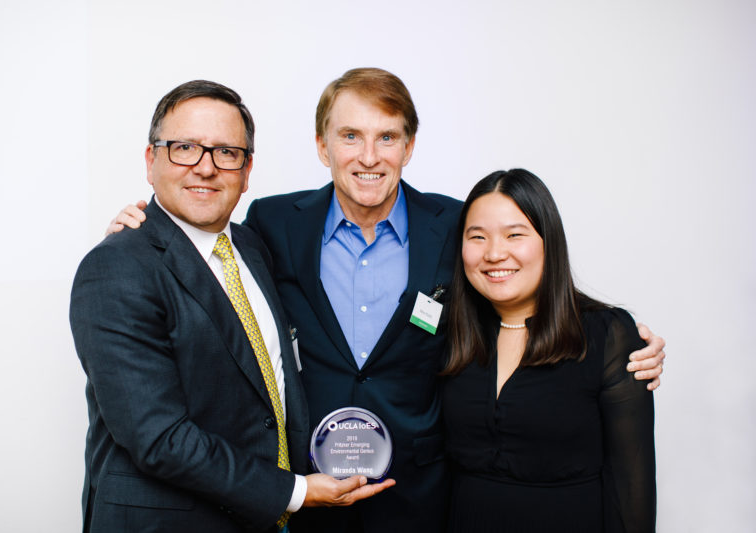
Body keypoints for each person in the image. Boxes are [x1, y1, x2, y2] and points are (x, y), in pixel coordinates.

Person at [107, 68, 665, 533]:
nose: (368, 156)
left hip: (422, 497)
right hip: (305, 494)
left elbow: (512, 278)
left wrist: (615, 335)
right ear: (322, 147)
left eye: (387, 137)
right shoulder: (274, 224)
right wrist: (145, 235)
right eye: (350, 136)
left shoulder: (452, 226)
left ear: (409, 146)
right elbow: (212, 265)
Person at [70, 80, 393, 533]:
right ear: (151, 160)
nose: (205, 168)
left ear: (247, 170)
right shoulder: (117, 266)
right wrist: (296, 491)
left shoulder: (252, 246)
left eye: (226, 152)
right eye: (184, 148)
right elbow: (158, 438)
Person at [442, 168, 656, 532]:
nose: (494, 253)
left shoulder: (608, 336)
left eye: (515, 235)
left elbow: (631, 486)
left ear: (548, 241)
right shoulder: (449, 334)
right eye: (477, 237)